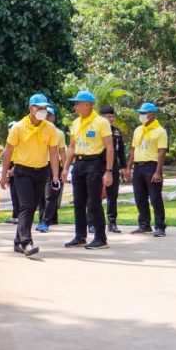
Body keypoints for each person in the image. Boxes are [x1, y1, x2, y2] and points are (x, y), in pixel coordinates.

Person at [0, 94, 61, 258]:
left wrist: (55, 176)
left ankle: (18, 241)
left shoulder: (50, 128)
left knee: (32, 207)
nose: (42, 110)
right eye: (38, 107)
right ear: (30, 108)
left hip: (41, 171)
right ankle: (27, 242)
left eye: (44, 108)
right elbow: (8, 152)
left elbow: (53, 152)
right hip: (22, 171)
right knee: (26, 206)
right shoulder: (18, 127)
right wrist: (4, 174)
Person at [64, 90, 114, 250]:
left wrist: (108, 171)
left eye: (77, 103)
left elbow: (110, 147)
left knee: (93, 202)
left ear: (87, 105)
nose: (75, 106)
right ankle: (80, 236)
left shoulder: (101, 122)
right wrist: (66, 167)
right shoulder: (76, 122)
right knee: (78, 202)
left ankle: (101, 238)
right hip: (78, 164)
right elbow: (72, 147)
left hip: (95, 163)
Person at [125, 102, 168, 237]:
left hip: (152, 166)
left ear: (152, 114)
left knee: (155, 198)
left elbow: (162, 152)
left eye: (143, 113)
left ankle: (160, 226)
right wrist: (128, 168)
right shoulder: (138, 130)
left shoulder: (160, 131)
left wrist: (157, 171)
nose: (141, 116)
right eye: (140, 113)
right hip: (139, 166)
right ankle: (144, 225)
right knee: (140, 197)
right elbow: (133, 149)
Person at [96, 106, 127, 233]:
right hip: (98, 164)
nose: (112, 119)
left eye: (113, 116)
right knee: (94, 195)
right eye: (109, 116)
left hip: (113, 166)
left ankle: (112, 222)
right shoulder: (96, 129)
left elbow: (121, 151)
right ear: (102, 117)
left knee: (112, 195)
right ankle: (92, 222)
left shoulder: (117, 132)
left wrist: (124, 167)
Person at [36, 106, 66, 232]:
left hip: (53, 166)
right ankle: (41, 219)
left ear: (53, 117)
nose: (47, 117)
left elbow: (62, 152)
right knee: (40, 195)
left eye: (50, 115)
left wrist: (64, 169)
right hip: (39, 165)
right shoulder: (36, 130)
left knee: (51, 195)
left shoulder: (59, 133)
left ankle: (45, 221)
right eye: (45, 115)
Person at [4, 121, 20, 225]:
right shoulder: (9, 141)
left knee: (18, 194)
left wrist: (14, 168)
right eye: (10, 127)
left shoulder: (20, 140)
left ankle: (18, 216)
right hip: (11, 168)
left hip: (18, 167)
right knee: (14, 194)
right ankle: (15, 215)